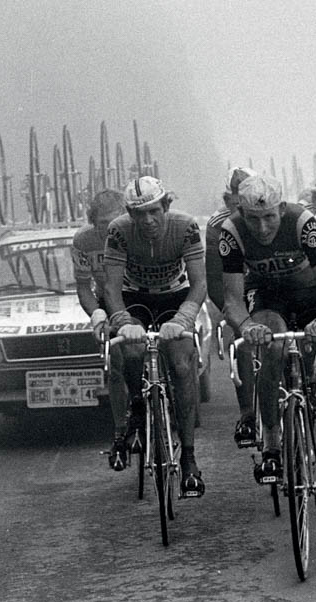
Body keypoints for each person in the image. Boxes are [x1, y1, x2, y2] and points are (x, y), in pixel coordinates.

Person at [219, 174, 316, 506]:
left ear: (281, 208)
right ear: (241, 213)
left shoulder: (303, 223)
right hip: (268, 298)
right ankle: (273, 445)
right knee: (272, 346)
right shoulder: (231, 232)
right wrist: (246, 325)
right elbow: (232, 300)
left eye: (269, 217)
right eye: (253, 219)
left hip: (310, 295)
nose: (262, 228)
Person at [102, 176, 207, 497]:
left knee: (181, 365)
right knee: (131, 352)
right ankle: (136, 408)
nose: (147, 220)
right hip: (135, 298)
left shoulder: (185, 226)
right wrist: (121, 321)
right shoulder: (118, 231)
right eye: (139, 214)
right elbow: (110, 288)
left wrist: (184, 317)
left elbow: (200, 283)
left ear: (166, 206)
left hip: (176, 297)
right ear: (129, 215)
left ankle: (189, 458)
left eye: (153, 211)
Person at [71, 189, 129, 471]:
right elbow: (84, 287)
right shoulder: (84, 241)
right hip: (107, 297)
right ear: (93, 223)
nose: (112, 229)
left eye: (117, 221)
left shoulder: (133, 231)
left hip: (138, 294)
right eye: (105, 224)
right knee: (115, 365)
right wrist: (97, 315)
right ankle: (120, 432)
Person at [205, 166, 260, 446]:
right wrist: (233, 314)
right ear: (227, 202)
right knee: (243, 341)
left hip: (266, 281)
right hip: (234, 285)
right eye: (236, 203)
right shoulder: (217, 226)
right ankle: (248, 413)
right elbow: (215, 282)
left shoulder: (268, 211)